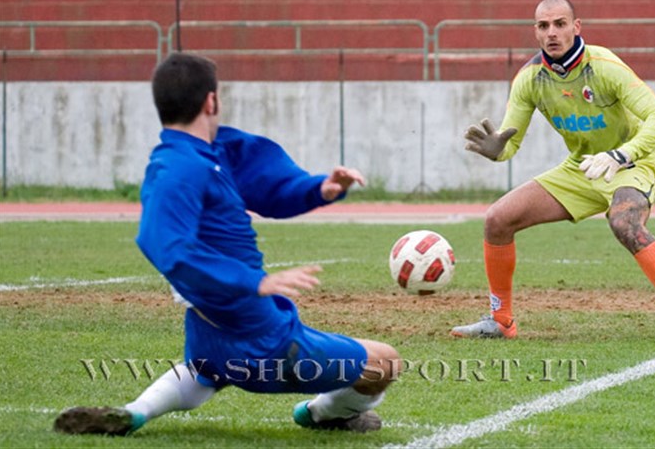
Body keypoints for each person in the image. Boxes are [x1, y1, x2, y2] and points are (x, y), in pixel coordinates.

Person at [53, 52, 400, 436]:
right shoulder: (180, 168)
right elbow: (162, 243)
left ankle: (135, 413)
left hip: (209, 341)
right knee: (385, 363)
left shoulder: (209, 152)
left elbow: (265, 182)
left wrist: (317, 188)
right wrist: (252, 281)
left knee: (204, 373)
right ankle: (322, 414)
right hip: (264, 339)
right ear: (211, 101)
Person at [451, 0, 655, 343]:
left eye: (560, 24)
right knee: (497, 219)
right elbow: (510, 142)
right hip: (581, 169)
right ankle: (501, 320)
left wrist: (622, 155)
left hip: (631, 165)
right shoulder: (530, 79)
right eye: (543, 26)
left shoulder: (603, 65)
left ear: (576, 27)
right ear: (536, 32)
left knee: (624, 222)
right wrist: (497, 149)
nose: (552, 33)